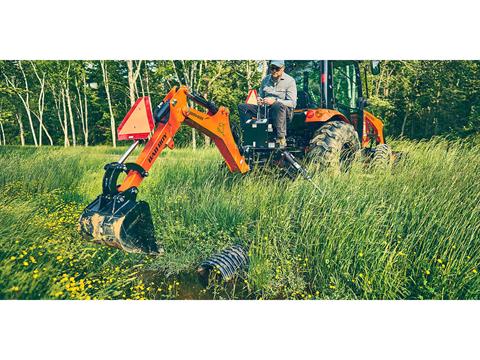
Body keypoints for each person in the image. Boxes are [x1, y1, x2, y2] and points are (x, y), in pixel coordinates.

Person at [238, 60, 297, 148]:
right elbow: (260, 95)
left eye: (277, 68)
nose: (274, 71)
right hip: (265, 110)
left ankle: (280, 138)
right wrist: (259, 100)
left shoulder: (290, 81)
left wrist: (275, 101)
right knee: (242, 107)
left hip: (283, 113)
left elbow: (292, 103)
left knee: (277, 105)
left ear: (283, 68)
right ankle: (248, 135)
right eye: (272, 68)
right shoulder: (265, 80)